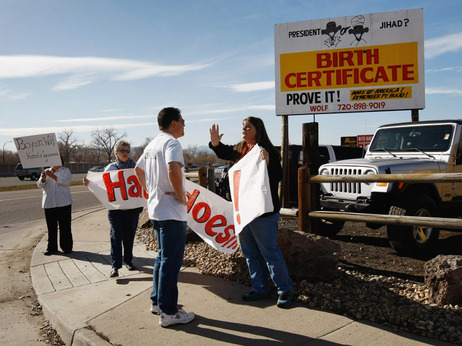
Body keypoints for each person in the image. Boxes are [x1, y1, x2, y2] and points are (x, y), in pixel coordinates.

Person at [209, 117, 293, 308]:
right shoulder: (240, 149)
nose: (244, 129)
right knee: (250, 254)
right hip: (243, 211)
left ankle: (284, 290)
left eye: (248, 126)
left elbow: (278, 176)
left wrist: (269, 161)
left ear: (258, 130)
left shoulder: (266, 150)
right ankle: (260, 288)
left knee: (270, 252)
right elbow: (225, 152)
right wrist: (215, 143)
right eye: (243, 126)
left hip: (263, 212)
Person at [135, 107, 195, 327]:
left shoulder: (152, 144)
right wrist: (181, 195)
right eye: (182, 120)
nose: (184, 124)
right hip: (171, 211)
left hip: (157, 210)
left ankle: (157, 302)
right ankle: (169, 313)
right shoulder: (172, 143)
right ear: (174, 123)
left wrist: (150, 191)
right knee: (171, 262)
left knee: (162, 258)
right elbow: (172, 169)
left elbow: (138, 171)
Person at [85, 141, 142, 278]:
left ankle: (128, 261)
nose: (125, 153)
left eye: (128, 150)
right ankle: (115, 266)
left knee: (129, 237)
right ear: (116, 153)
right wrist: (90, 183)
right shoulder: (110, 168)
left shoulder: (136, 168)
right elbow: (102, 185)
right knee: (116, 237)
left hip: (132, 209)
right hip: (116, 210)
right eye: (122, 150)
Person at [37, 165, 73, 256]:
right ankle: (52, 247)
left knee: (65, 227)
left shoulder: (66, 170)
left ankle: (66, 247)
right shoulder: (45, 171)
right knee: (51, 227)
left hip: (63, 203)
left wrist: (53, 176)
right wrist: (43, 179)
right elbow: (39, 185)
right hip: (49, 204)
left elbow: (65, 181)